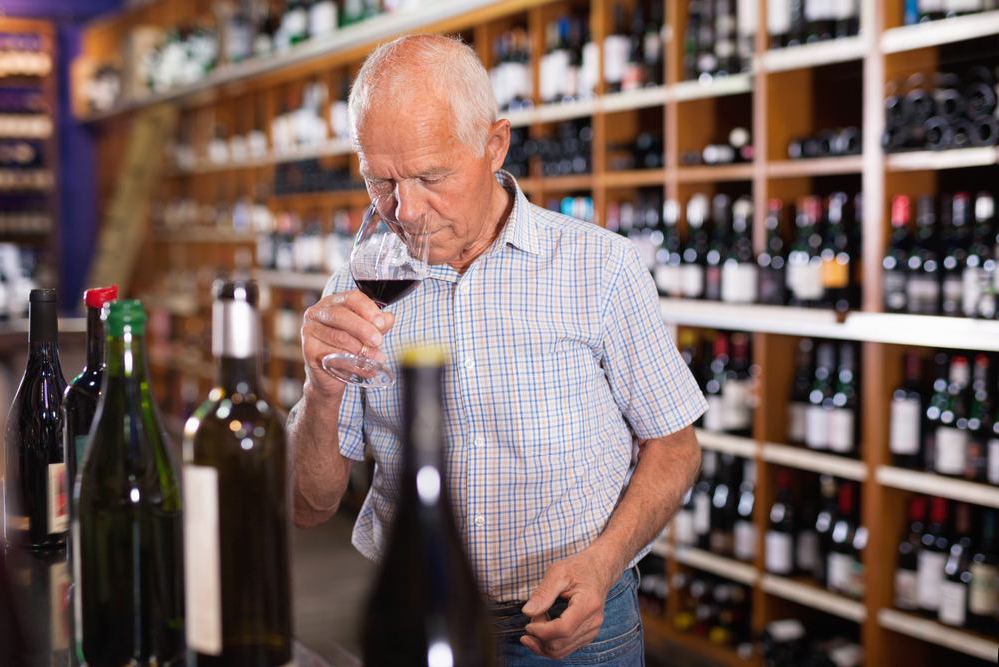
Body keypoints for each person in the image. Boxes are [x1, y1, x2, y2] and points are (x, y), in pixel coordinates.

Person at [289, 33, 706, 665]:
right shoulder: (355, 289)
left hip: (574, 626)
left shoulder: (602, 268)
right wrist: (321, 391)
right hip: (414, 617)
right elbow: (306, 505)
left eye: (431, 176)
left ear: (494, 144)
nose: (406, 210)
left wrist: (602, 562)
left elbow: (673, 444)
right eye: (381, 182)